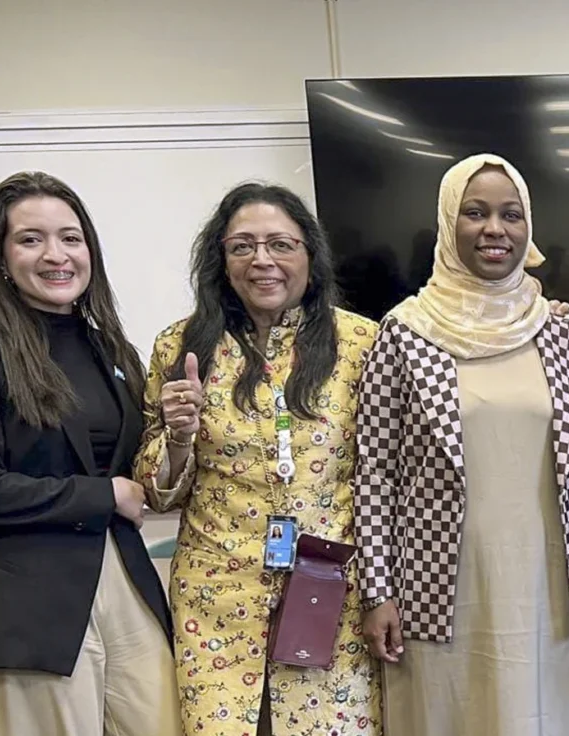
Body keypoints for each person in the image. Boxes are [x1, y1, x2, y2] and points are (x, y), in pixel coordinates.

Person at [355, 153, 569, 735]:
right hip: (436, 590)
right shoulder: (405, 333)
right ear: (447, 223)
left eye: (511, 215)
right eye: (475, 213)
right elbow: (374, 474)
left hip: (547, 588)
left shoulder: (562, 331)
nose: (495, 229)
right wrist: (377, 592)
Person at [133, 182, 381, 735]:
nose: (262, 260)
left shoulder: (363, 343)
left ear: (310, 258)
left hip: (331, 596)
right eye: (242, 246)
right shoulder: (180, 348)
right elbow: (155, 489)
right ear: (221, 261)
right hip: (217, 600)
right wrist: (178, 437)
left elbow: (388, 471)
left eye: (280, 244)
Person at [0, 171, 179, 736]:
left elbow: (138, 471)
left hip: (126, 582)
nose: (56, 255)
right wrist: (104, 494)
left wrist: (179, 434)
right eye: (31, 239)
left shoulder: (112, 347)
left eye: (71, 238)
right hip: (29, 606)